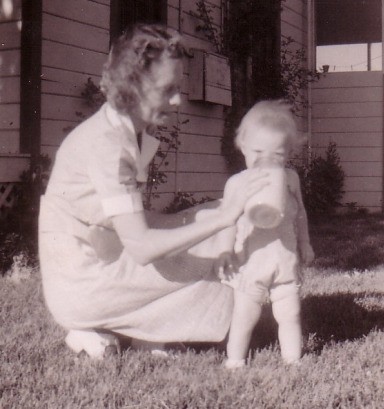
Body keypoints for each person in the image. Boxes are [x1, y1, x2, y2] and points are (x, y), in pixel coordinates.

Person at [38, 23, 268, 359]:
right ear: (134, 85)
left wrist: (215, 214)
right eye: (168, 89)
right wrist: (223, 218)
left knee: (219, 222)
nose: (177, 100)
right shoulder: (109, 145)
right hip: (83, 285)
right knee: (227, 253)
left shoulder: (125, 131)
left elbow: (133, 221)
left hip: (103, 262)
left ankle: (135, 330)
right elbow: (143, 248)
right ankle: (104, 328)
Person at [216, 100, 315, 368]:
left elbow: (301, 211)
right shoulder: (236, 183)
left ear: (288, 154)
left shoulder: (290, 179)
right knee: (244, 315)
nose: (267, 161)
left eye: (278, 156)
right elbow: (228, 222)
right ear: (243, 146)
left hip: (284, 259)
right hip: (251, 262)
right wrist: (225, 251)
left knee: (290, 314)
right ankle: (235, 360)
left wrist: (305, 241)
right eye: (258, 152)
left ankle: (293, 360)